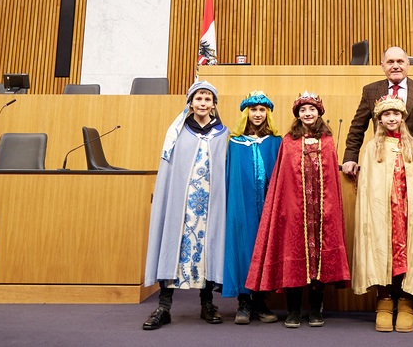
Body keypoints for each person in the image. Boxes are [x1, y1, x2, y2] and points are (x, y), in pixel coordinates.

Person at [246, 91, 351, 329]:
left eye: (311, 109)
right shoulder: (288, 142)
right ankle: (293, 310)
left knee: (318, 260)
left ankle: (315, 309)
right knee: (294, 255)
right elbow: (283, 179)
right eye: (303, 110)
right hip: (296, 210)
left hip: (322, 211)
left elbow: (332, 180)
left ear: (319, 112)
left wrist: (330, 207)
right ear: (298, 115)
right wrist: (287, 206)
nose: (308, 113)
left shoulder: (327, 140)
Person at [143, 81, 229, 330]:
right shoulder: (177, 131)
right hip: (180, 204)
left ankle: (207, 303)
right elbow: (170, 169)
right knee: (173, 244)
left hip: (209, 205)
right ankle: (164, 306)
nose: (203, 103)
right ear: (191, 102)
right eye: (199, 99)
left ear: (214, 104)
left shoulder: (222, 133)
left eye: (207, 99)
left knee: (208, 246)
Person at [351, 96, 413, 333]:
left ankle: (406, 302)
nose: (392, 118)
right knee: (383, 251)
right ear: (379, 119)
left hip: (407, 213)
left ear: (403, 118)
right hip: (382, 214)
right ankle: (384, 301)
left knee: (408, 253)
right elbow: (368, 186)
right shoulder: (372, 149)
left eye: (396, 114)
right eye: (386, 115)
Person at [222, 91, 282, 324]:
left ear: (267, 113)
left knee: (265, 249)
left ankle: (261, 302)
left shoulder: (276, 142)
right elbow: (230, 174)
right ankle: (244, 303)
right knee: (244, 248)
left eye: (262, 110)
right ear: (246, 113)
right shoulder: (235, 143)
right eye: (253, 110)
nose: (258, 114)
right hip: (242, 205)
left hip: (267, 206)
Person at [342, 46, 413, 178]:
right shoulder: (370, 91)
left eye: (400, 61)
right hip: (382, 165)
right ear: (382, 66)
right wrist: (350, 157)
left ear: (408, 64)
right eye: (390, 62)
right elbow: (357, 128)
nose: (395, 66)